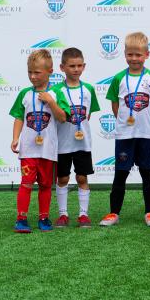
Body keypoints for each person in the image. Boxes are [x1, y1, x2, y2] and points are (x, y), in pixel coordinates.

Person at [101, 32, 150, 227]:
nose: (134, 58)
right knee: (120, 174)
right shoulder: (119, 78)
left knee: (148, 174)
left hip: (146, 135)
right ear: (124, 54)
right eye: (130, 54)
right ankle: (114, 213)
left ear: (147, 55)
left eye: (138, 55)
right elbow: (115, 104)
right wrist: (123, 121)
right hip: (125, 135)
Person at [9, 49, 70, 233]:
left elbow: (63, 118)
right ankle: (21, 219)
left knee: (45, 185)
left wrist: (51, 101)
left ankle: (44, 218)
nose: (33, 76)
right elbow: (19, 117)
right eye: (30, 72)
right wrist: (15, 138)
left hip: (48, 150)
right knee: (26, 183)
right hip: (28, 150)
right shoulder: (25, 94)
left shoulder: (57, 93)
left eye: (37, 72)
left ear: (50, 71)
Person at [52, 47, 101, 228]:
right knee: (63, 179)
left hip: (82, 144)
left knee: (82, 178)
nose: (76, 69)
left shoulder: (88, 89)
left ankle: (83, 215)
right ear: (62, 67)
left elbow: (88, 115)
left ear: (84, 66)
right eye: (72, 66)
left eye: (79, 66)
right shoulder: (55, 91)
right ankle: (63, 214)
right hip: (62, 144)